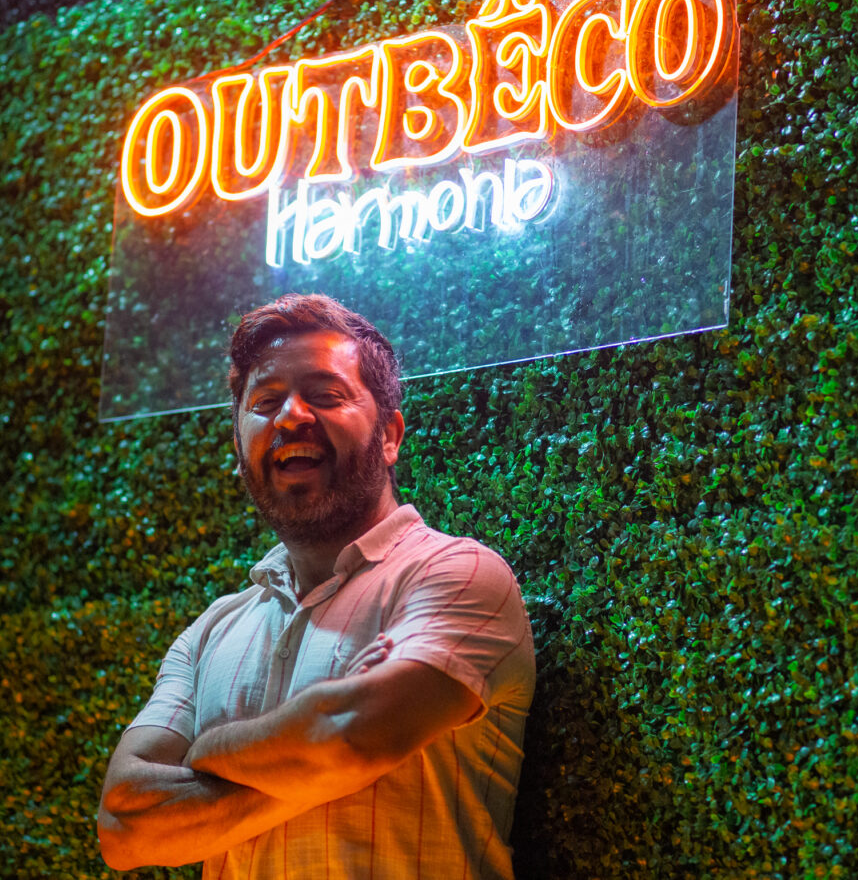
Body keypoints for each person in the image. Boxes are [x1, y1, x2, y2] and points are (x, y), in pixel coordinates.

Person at [97, 293, 536, 878]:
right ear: (238, 446)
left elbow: (352, 738)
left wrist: (207, 752)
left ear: (389, 435)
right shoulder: (212, 631)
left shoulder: (457, 575)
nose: (290, 416)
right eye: (265, 401)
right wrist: (317, 753)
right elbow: (125, 828)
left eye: (326, 395)